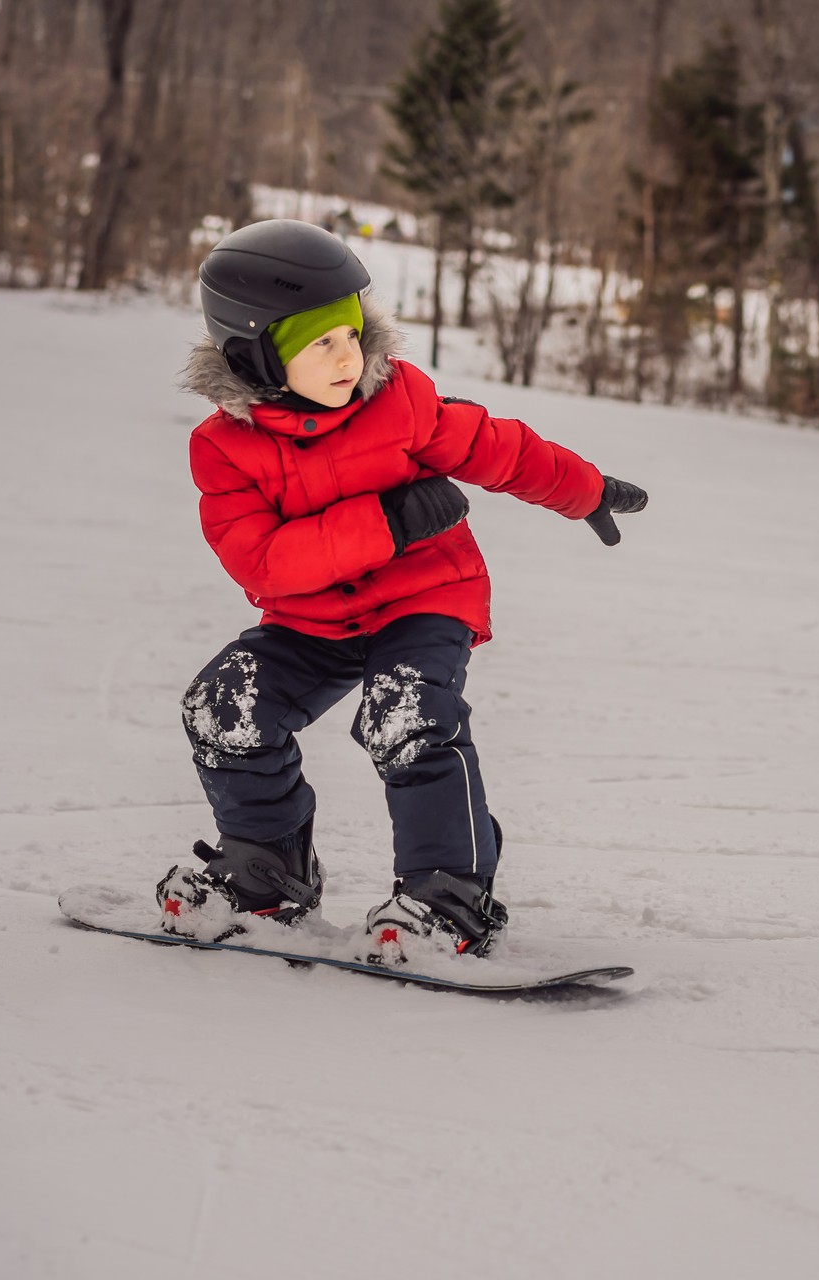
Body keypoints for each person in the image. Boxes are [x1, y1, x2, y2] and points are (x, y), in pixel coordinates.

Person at [158, 219, 648, 965]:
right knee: (222, 706)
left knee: (406, 715)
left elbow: (496, 446)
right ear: (254, 351)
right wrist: (388, 519)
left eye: (351, 333)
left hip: (423, 598)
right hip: (311, 618)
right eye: (318, 341)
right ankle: (266, 871)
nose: (347, 355)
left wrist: (582, 490)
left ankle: (449, 893)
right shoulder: (225, 448)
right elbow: (262, 563)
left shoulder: (400, 402)